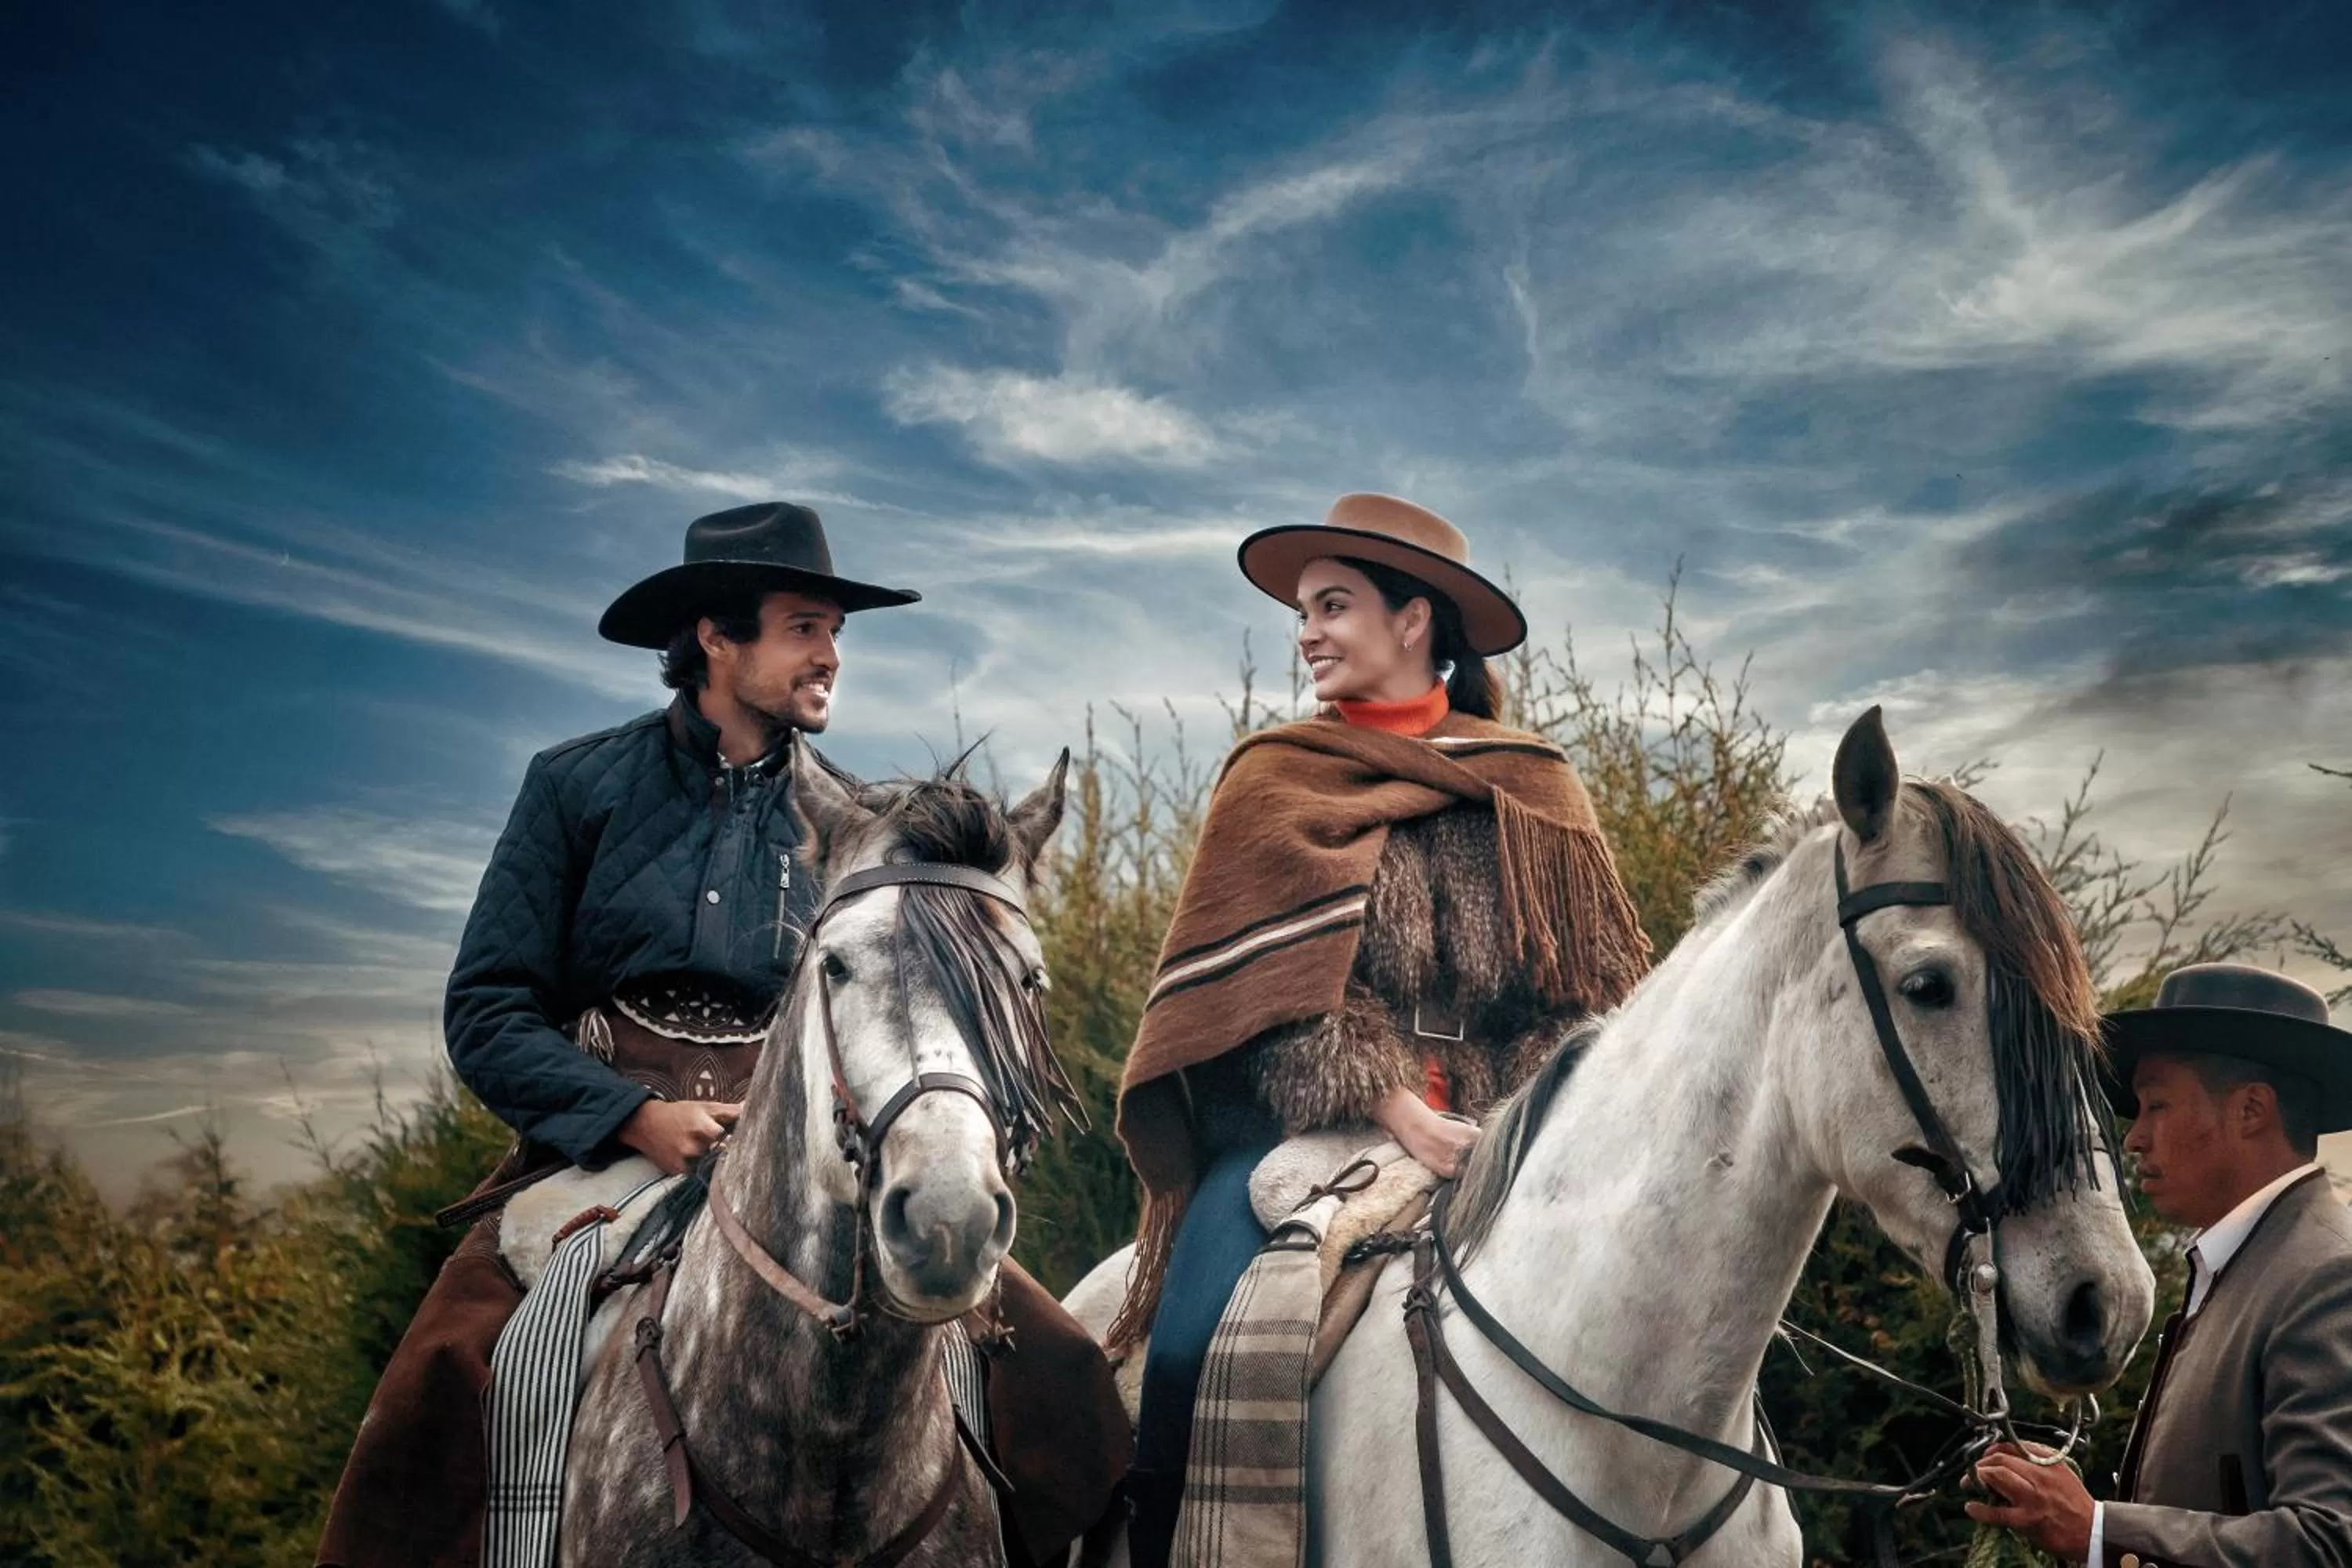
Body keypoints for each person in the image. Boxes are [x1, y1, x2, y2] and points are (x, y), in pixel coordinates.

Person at [316, 500, 1127, 1568]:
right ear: (714, 636)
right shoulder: (576, 786)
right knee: (441, 1377)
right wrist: (635, 1117)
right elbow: (487, 1010)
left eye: (836, 631)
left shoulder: (857, 824)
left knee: (1064, 1376)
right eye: (804, 628)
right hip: (602, 1158)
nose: (830, 655)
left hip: (816, 1150)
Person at [1108, 492, 1654, 1568]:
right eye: (1304, 612)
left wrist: (1521, 1117)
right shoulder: (1272, 780)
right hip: (1304, 1127)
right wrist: (1400, 1110)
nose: (1307, 633)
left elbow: (1581, 1000)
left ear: (1414, 620)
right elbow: (1265, 1001)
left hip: (1508, 1124)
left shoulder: (1532, 786)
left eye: (1333, 606)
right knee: (1178, 1354)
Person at [1966, 961, 2352, 1566]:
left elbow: (2327, 1542)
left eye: (2157, 1105)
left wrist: (2098, 1530)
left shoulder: (2329, 1276)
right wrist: (2067, 1508)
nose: (2134, 1138)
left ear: (2251, 1110)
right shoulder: (2254, 1262)